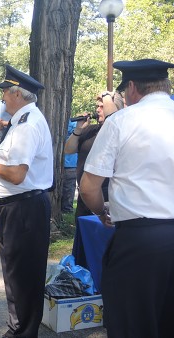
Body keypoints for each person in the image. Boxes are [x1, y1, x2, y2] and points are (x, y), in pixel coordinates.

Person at [80, 59, 174, 337]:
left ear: (132, 87)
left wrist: (100, 212)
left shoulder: (122, 120)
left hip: (141, 240)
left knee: (132, 323)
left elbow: (88, 187)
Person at [0, 65, 53, 337]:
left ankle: (23, 331)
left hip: (24, 209)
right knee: (17, 274)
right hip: (18, 208)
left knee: (23, 275)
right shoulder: (20, 121)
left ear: (17, 94)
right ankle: (19, 328)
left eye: (5, 92)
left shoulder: (27, 124)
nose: (3, 98)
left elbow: (17, 174)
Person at [64, 90, 124, 268]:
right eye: (97, 106)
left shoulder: (118, 130)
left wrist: (108, 97)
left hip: (106, 198)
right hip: (85, 198)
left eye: (102, 106)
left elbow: (115, 116)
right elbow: (68, 149)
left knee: (103, 249)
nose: (98, 109)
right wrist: (77, 130)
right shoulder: (90, 130)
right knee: (84, 247)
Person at [61, 121, 78, 213]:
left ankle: (67, 209)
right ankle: (67, 209)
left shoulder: (71, 124)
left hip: (69, 163)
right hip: (71, 163)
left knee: (68, 187)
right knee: (69, 188)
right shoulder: (74, 125)